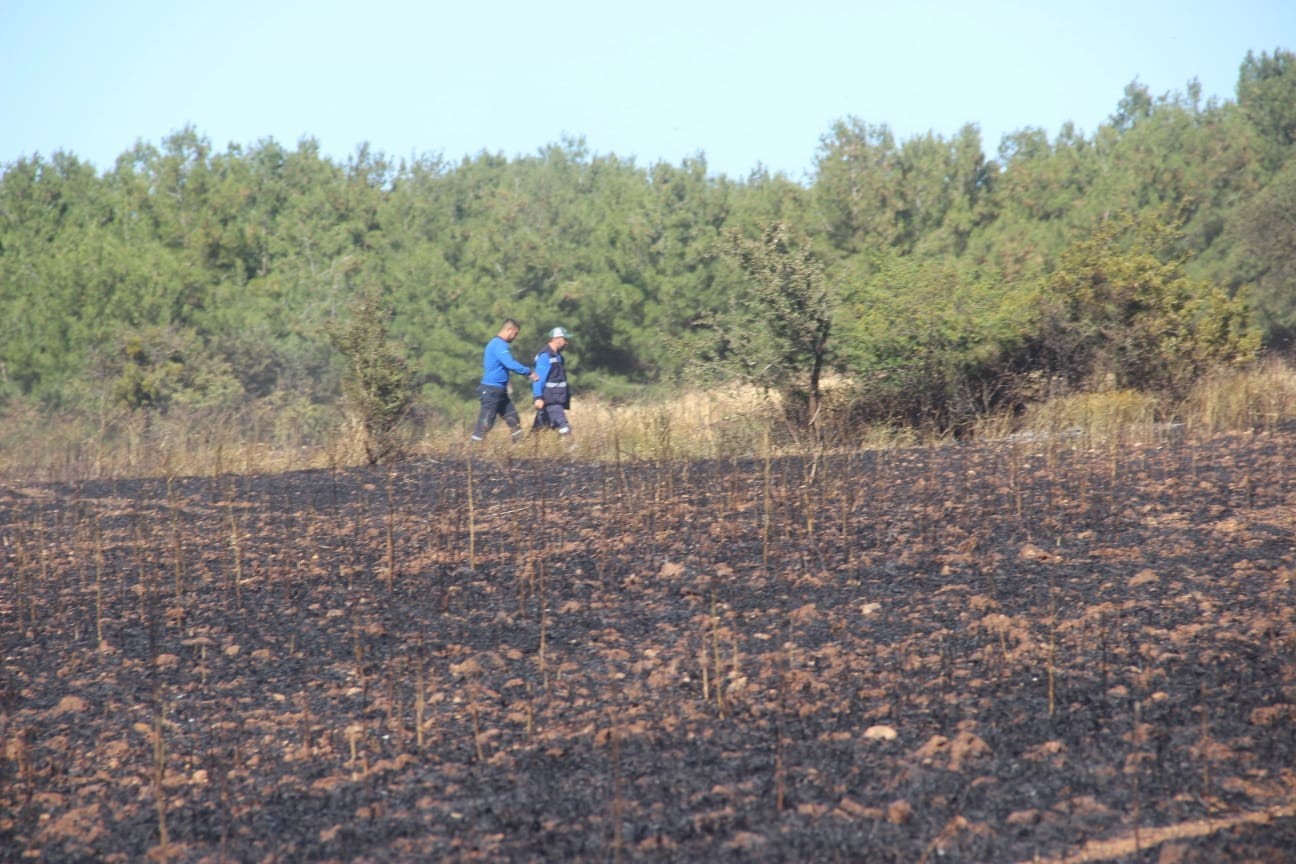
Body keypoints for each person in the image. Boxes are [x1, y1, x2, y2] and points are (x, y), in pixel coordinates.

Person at [471, 319, 538, 441]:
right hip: (491, 390)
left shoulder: (498, 344)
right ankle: (471, 453)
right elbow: (510, 363)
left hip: (500, 391)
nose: (515, 337)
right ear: (509, 330)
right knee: (485, 424)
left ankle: (519, 449)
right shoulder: (498, 345)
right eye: (515, 333)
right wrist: (529, 372)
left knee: (513, 419)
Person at [531, 326, 572, 436]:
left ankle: (525, 449)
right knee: (563, 425)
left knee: (537, 432)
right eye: (565, 339)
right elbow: (537, 378)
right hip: (550, 400)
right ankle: (572, 447)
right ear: (557, 339)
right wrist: (538, 397)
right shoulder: (545, 356)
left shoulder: (559, 357)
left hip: (556, 398)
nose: (566, 343)